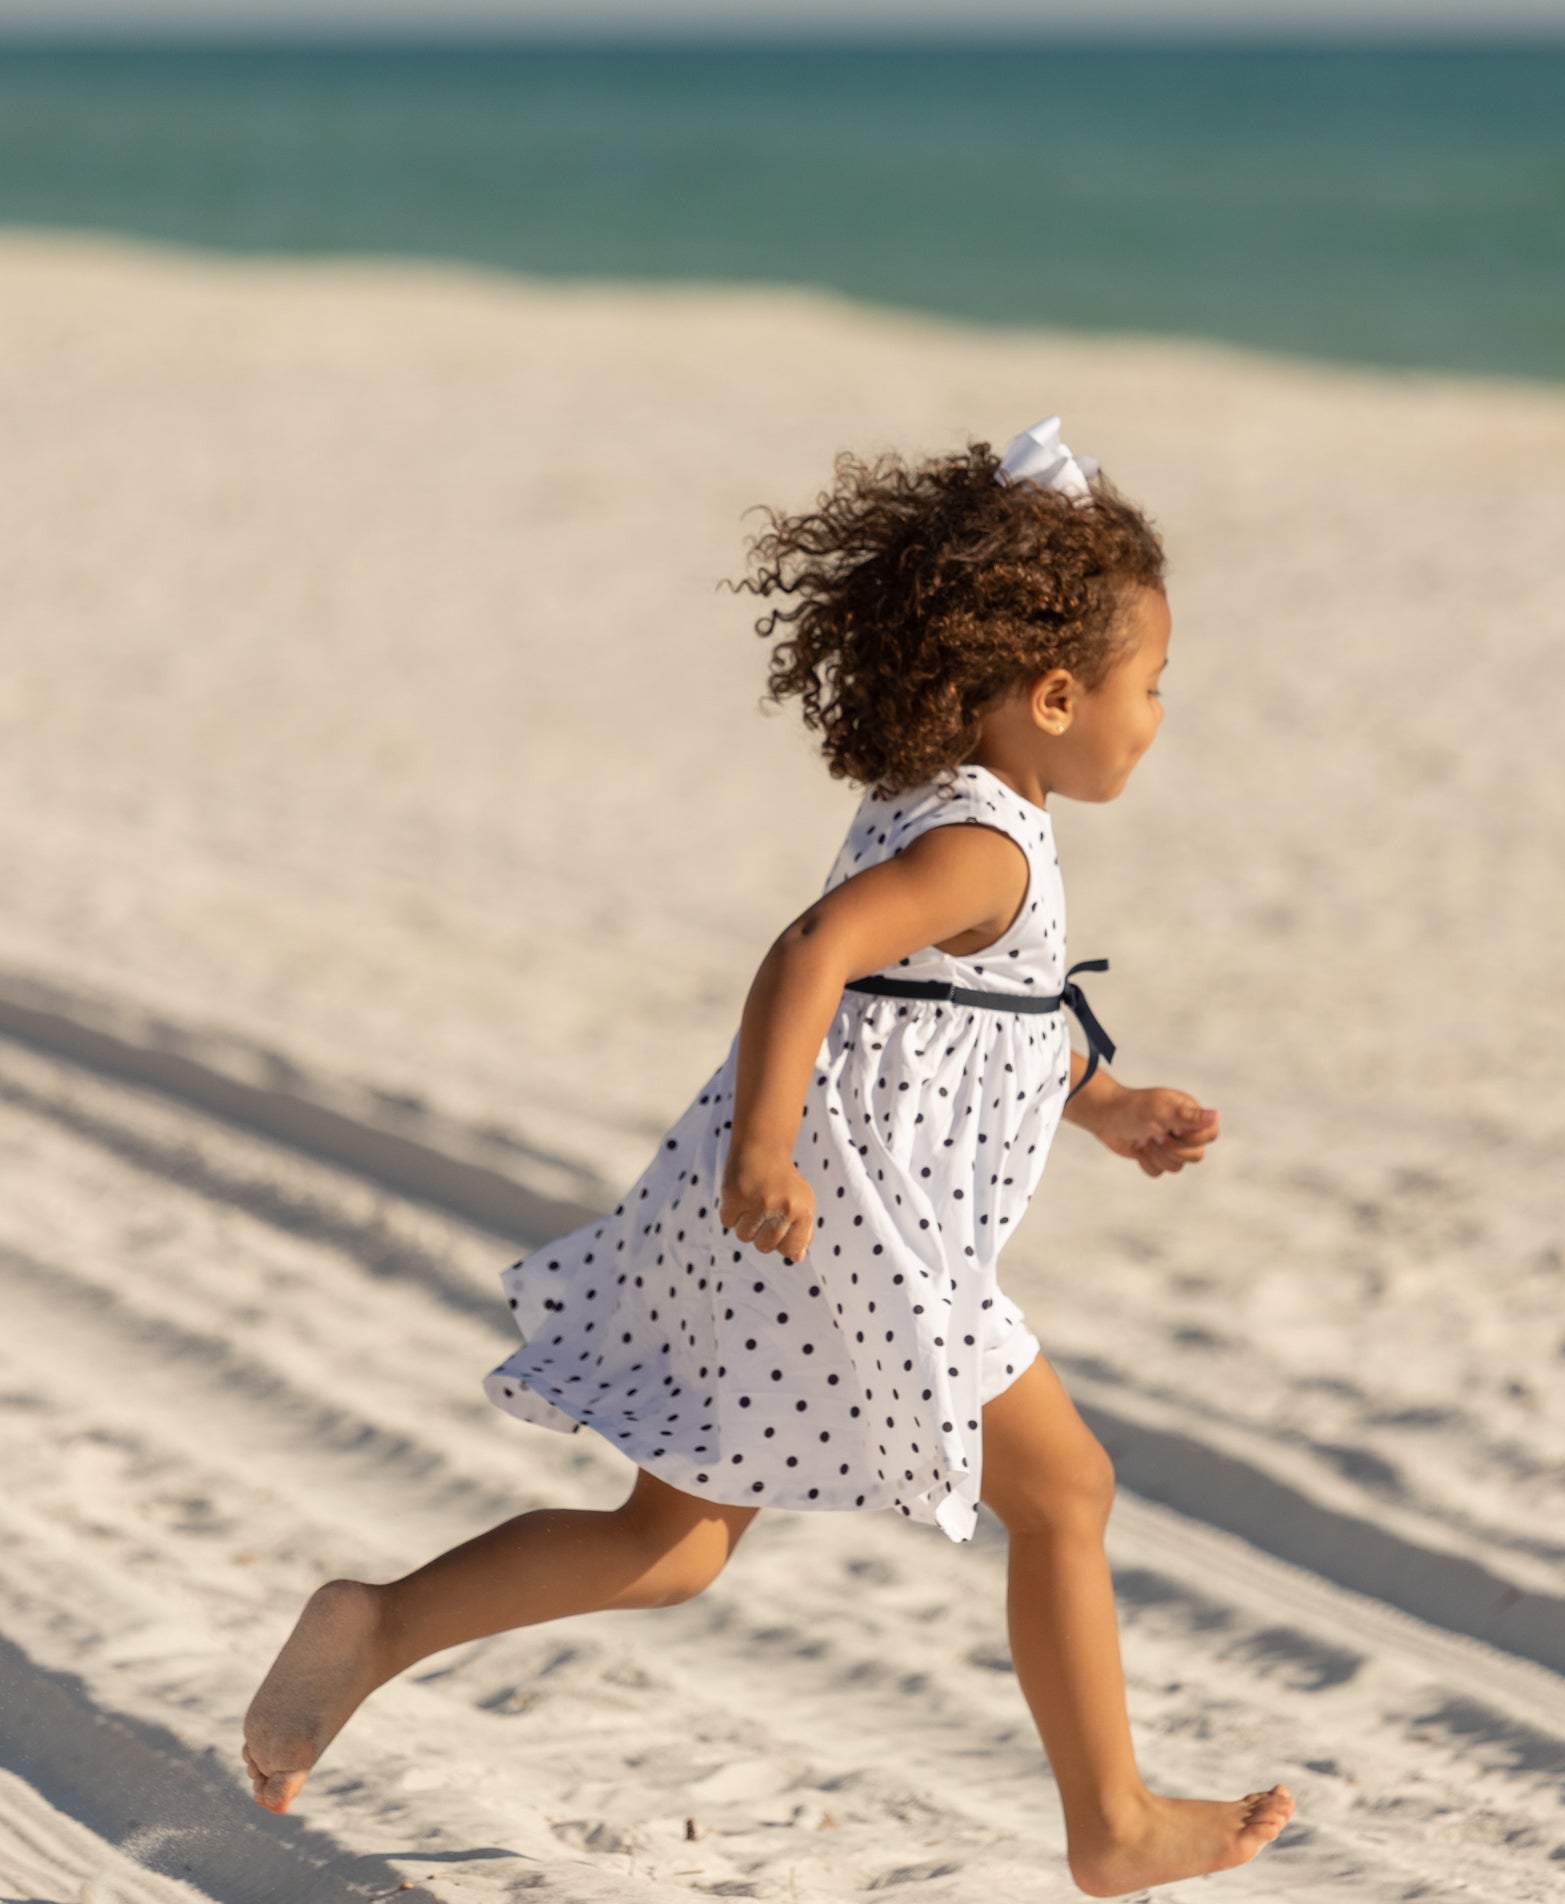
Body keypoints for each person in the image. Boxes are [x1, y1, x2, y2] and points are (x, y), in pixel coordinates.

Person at [239, 417, 1295, 1894]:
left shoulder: (948, 803)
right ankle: (1110, 1826)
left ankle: (383, 1623)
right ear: (1057, 695)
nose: (1160, 714)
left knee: (672, 1545)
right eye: (1153, 688)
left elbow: (962, 1019)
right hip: (842, 1232)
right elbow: (811, 956)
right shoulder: (982, 849)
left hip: (801, 1223)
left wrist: (1104, 1103)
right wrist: (764, 1151)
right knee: (1066, 1495)